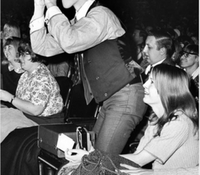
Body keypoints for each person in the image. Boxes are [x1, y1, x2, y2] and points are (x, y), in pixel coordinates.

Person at [29, 0, 147, 154]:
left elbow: (69, 41)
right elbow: (41, 47)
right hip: (110, 99)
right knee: (90, 158)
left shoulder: (101, 15)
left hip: (125, 96)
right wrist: (39, 6)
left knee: (98, 163)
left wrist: (52, 5)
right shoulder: (79, 22)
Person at [64, 64, 199, 172]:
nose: (145, 85)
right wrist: (91, 156)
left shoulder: (179, 123)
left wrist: (92, 158)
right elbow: (135, 158)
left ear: (168, 90)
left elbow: (139, 160)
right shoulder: (156, 120)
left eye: (152, 82)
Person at [0, 39, 64, 142]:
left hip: (44, 123)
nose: (19, 58)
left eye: (22, 55)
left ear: (32, 55)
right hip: (28, 117)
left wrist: (9, 98)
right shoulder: (26, 74)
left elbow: (35, 110)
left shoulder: (42, 77)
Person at [1, 37, 24, 108]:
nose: (6, 51)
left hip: (21, 109)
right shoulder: (4, 67)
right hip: (6, 107)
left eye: (9, 48)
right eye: (5, 48)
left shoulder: (26, 72)